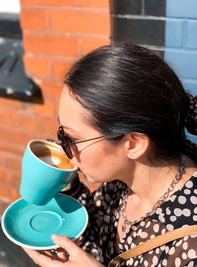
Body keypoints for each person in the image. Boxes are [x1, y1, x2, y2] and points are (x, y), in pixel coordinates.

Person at [24, 43, 197, 267]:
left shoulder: (189, 245)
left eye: (72, 139)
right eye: (61, 134)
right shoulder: (122, 180)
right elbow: (96, 231)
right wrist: (68, 185)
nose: (63, 147)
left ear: (132, 145)